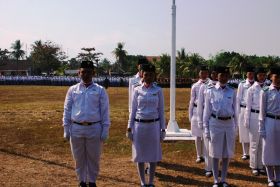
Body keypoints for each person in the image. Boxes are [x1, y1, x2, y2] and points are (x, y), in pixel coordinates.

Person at [62, 61, 110, 187]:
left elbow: (105, 111)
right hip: (76, 128)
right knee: (79, 158)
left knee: (93, 157)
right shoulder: (72, 90)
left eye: (89, 72)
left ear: (93, 73)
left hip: (94, 127)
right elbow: (67, 109)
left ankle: (92, 181)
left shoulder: (100, 90)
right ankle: (82, 181)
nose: (86, 74)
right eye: (83, 72)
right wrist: (66, 128)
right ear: (79, 73)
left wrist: (105, 129)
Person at [126, 64, 166, 187]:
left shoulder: (158, 90)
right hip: (139, 125)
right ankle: (143, 182)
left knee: (153, 155)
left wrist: (163, 129)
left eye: (151, 74)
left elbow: (161, 111)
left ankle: (151, 181)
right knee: (140, 155)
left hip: (154, 125)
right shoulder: (137, 89)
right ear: (142, 75)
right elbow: (133, 110)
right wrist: (129, 127)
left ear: (154, 76)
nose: (148, 77)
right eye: (146, 74)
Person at [203, 66, 237, 187]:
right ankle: (216, 180)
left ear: (228, 77)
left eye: (226, 76)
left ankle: (223, 179)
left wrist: (235, 128)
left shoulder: (232, 91)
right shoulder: (210, 90)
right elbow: (206, 111)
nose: (224, 78)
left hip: (229, 124)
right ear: (216, 76)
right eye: (221, 75)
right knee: (215, 152)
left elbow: (235, 111)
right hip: (215, 124)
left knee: (227, 153)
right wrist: (206, 128)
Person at [259, 67, 280, 187]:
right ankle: (270, 178)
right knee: (268, 150)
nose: (278, 79)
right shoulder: (265, 91)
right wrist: (261, 128)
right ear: (271, 77)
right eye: (276, 77)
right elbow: (262, 112)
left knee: (278, 150)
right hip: (269, 121)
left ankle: (278, 177)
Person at [244, 67, 267, 176]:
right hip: (253, 116)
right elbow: (247, 106)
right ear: (256, 76)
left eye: (264, 75)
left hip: (264, 117)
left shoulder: (267, 88)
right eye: (260, 75)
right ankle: (254, 166)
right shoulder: (251, 89)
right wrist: (246, 120)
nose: (262, 77)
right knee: (254, 143)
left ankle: (261, 165)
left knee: (262, 143)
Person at [197, 67, 218, 177]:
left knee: (216, 145)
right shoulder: (204, 86)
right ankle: (208, 168)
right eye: (213, 73)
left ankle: (215, 167)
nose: (215, 75)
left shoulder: (223, 87)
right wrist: (200, 121)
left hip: (218, 120)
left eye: (216, 73)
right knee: (207, 145)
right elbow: (200, 105)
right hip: (207, 118)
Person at [189, 65, 209, 163]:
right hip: (196, 111)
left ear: (207, 74)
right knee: (197, 135)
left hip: (207, 110)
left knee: (206, 135)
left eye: (205, 73)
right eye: (202, 73)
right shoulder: (195, 85)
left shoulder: (211, 85)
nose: (204, 75)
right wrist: (190, 115)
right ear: (199, 74)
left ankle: (206, 155)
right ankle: (199, 155)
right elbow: (191, 101)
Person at [236, 66, 255, 160]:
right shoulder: (242, 84)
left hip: (253, 110)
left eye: (252, 73)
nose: (251, 75)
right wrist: (238, 112)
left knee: (253, 131)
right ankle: (245, 152)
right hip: (243, 109)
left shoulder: (257, 84)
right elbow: (238, 98)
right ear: (246, 74)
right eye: (249, 73)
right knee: (243, 130)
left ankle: (252, 152)